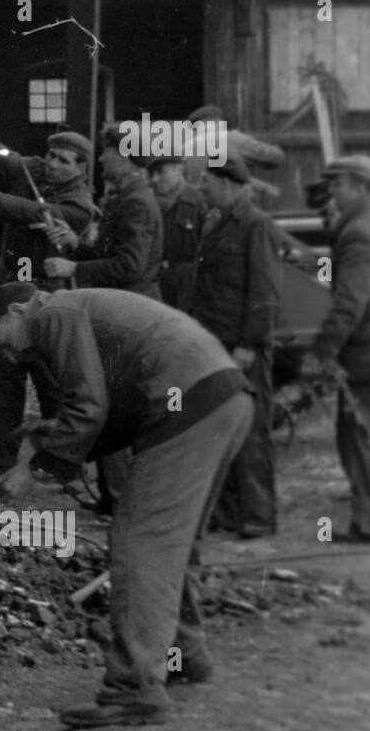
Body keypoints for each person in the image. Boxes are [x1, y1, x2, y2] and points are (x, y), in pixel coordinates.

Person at [0, 283, 252, 728]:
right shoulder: (75, 309)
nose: (10, 357)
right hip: (223, 394)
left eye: (3, 342)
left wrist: (35, 467)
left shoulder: (52, 315)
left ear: (16, 311)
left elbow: (88, 409)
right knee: (174, 540)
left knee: (140, 541)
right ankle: (185, 655)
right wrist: (43, 447)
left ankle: (134, 689)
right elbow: (105, 409)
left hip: (188, 401)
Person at [0, 110, 94, 473]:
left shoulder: (79, 206)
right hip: (10, 293)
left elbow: (30, 211)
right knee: (0, 381)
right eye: (52, 156)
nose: (53, 165)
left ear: (81, 169)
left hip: (47, 299)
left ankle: (61, 463)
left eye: (63, 161)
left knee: (52, 384)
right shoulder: (34, 170)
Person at [190, 155, 281, 538]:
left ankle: (258, 517)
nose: (203, 189)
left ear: (227, 182)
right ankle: (226, 513)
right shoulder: (220, 221)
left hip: (242, 346)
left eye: (207, 182)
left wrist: (250, 343)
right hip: (217, 342)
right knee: (221, 428)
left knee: (252, 431)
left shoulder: (256, 225)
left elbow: (265, 292)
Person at [300, 155, 370, 544]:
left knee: (359, 438)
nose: (331, 191)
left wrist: (321, 353)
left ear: (361, 187)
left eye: (338, 184)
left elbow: (349, 305)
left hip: (366, 354)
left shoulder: (359, 232)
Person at [44, 139, 163, 299]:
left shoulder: (137, 203)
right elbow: (107, 255)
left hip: (130, 305)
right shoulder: (125, 198)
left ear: (125, 161)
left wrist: (74, 268)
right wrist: (75, 243)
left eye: (108, 152)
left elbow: (130, 266)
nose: (101, 159)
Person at [144, 155, 207, 311]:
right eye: (151, 173)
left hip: (186, 290)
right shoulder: (147, 203)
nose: (154, 179)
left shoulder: (201, 203)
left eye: (161, 172)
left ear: (179, 169)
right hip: (153, 286)